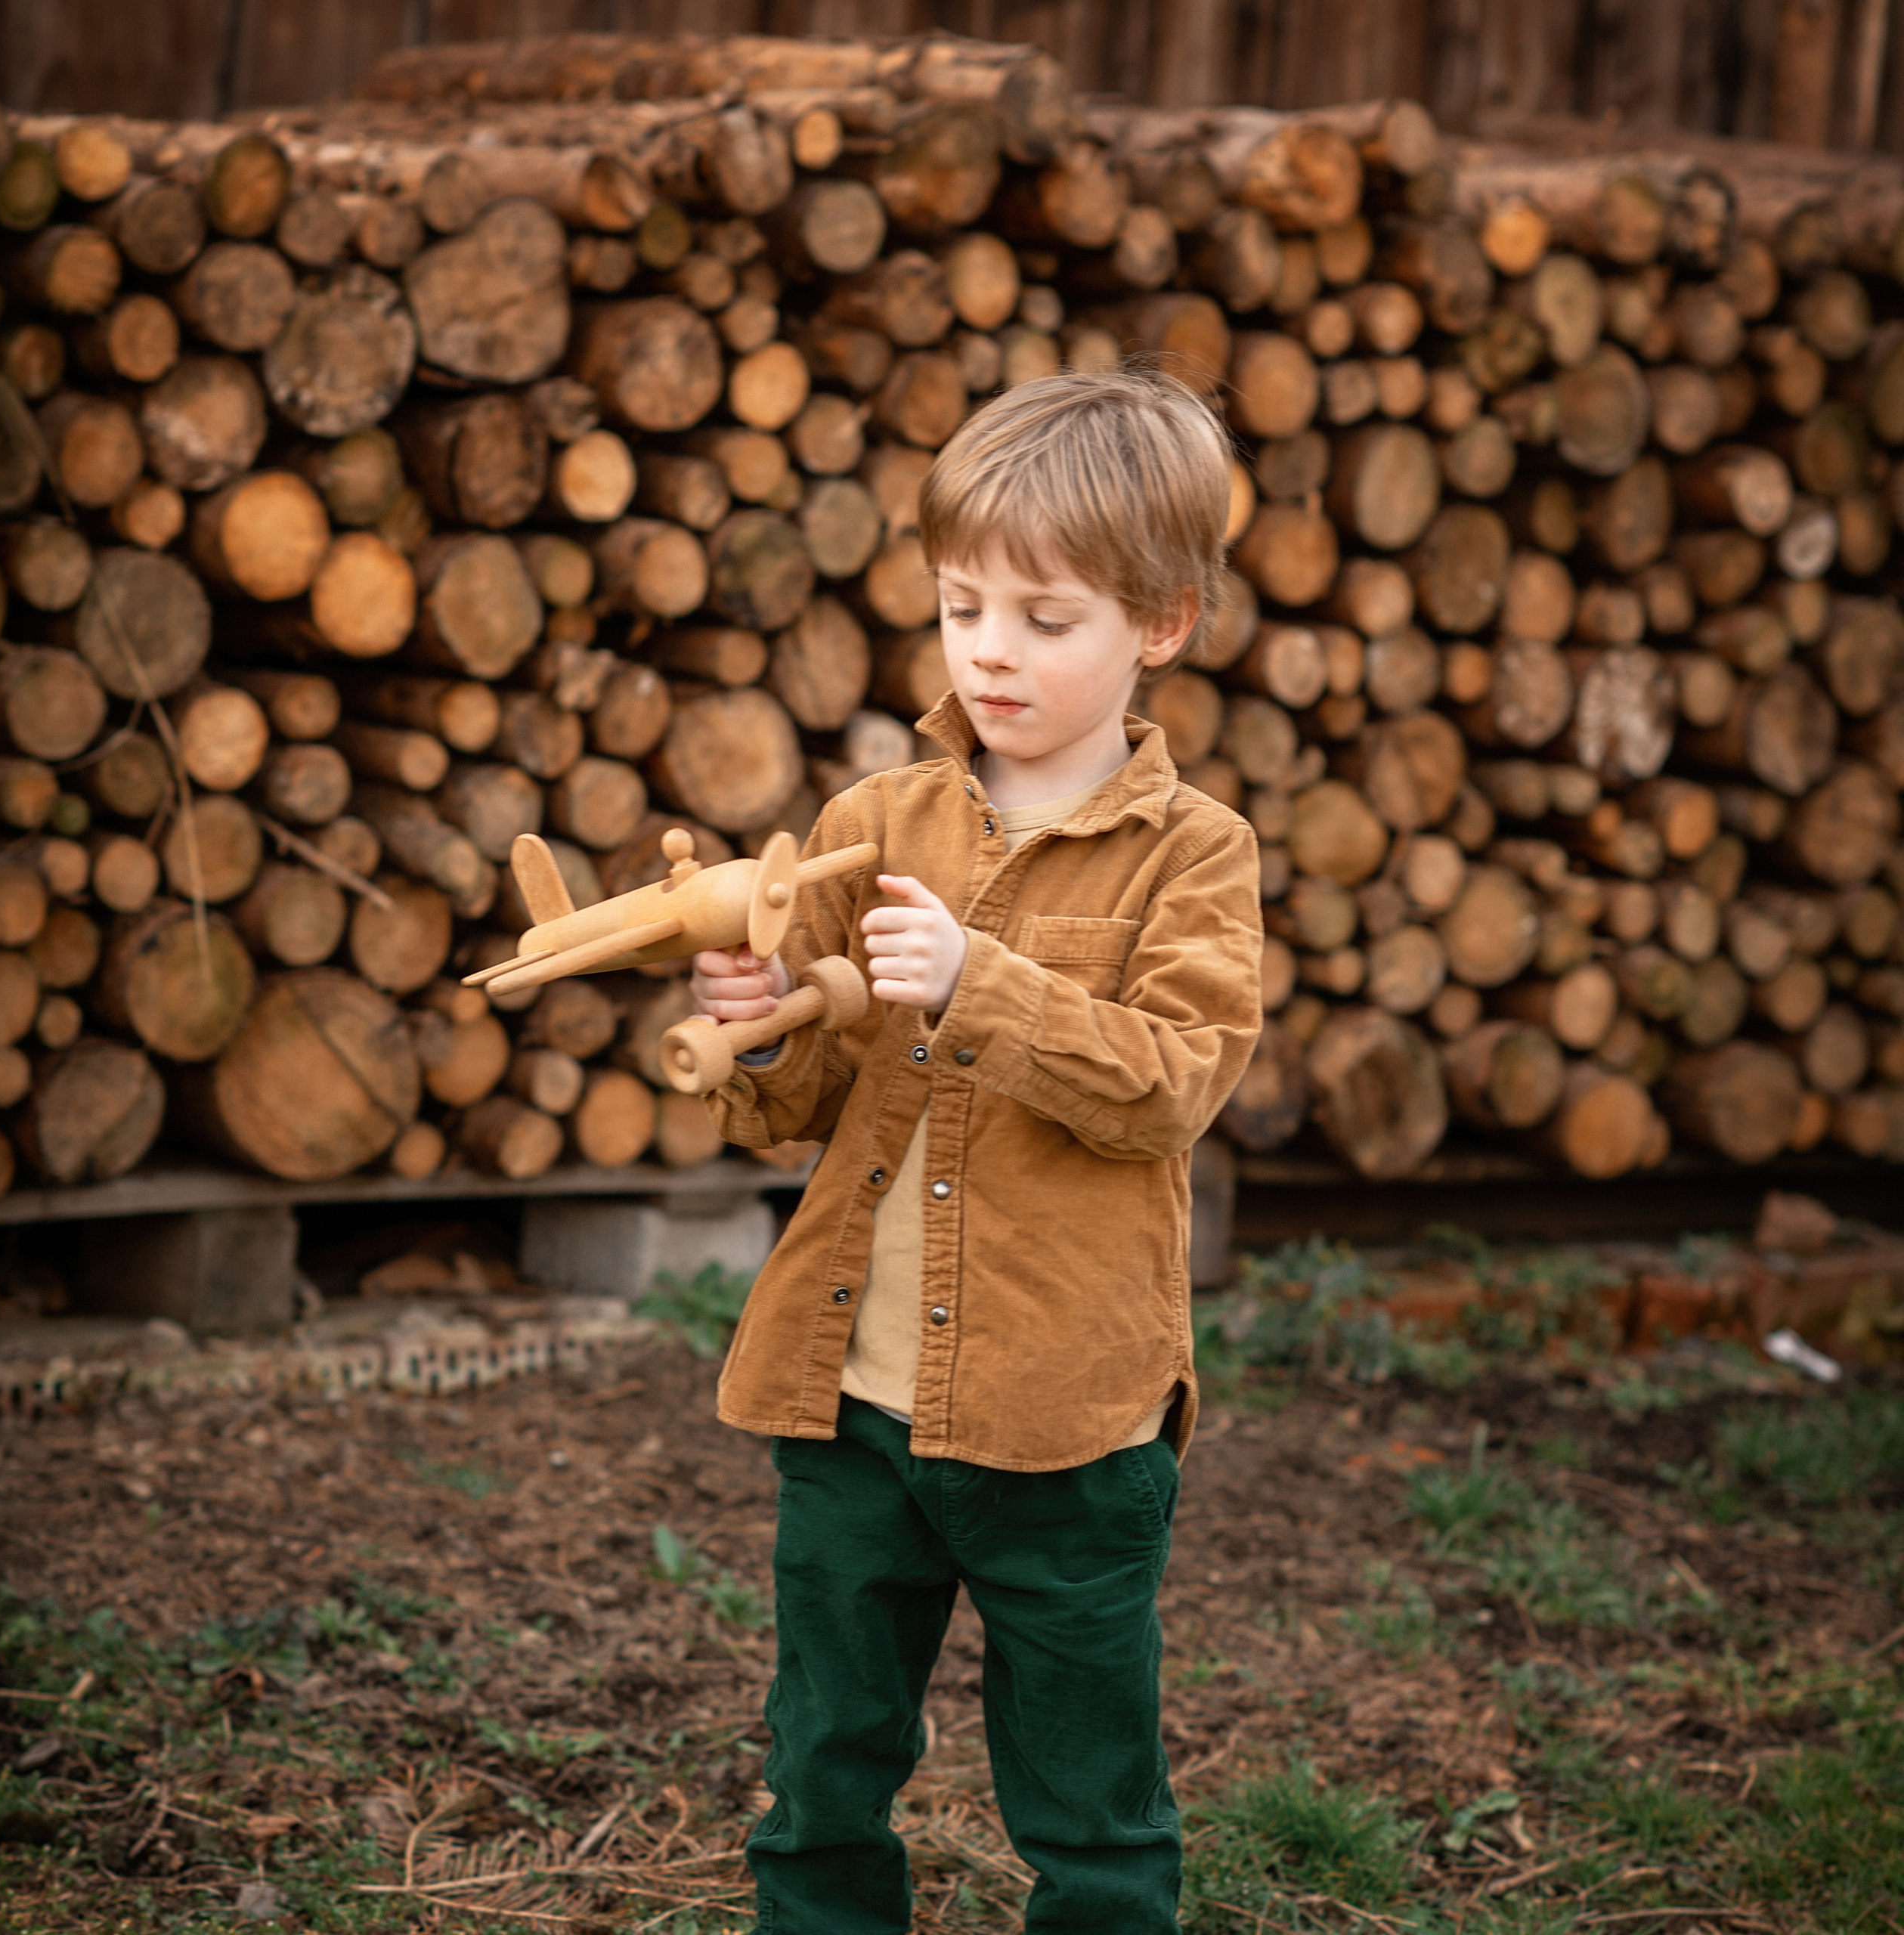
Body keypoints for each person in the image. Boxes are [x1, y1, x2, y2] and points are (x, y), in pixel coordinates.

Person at [689, 368, 1265, 1935]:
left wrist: (981, 984)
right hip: (852, 1402)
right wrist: (755, 1023)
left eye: (1043, 615)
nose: (989, 648)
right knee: (819, 1759)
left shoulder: (1195, 855)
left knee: (1087, 1797)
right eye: (959, 606)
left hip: (1063, 1422)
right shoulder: (878, 815)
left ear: (1161, 622)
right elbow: (808, 1092)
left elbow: (1170, 1082)